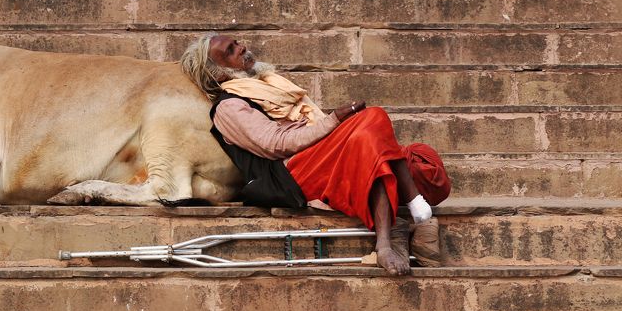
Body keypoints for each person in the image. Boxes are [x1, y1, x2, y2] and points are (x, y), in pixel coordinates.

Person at [180, 33, 451, 275]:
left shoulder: (271, 84)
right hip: (295, 173)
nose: (241, 48)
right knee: (374, 119)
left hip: (321, 154)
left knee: (418, 156)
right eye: (229, 51)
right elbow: (275, 143)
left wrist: (337, 127)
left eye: (236, 42)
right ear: (218, 74)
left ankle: (403, 224)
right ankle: (388, 239)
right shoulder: (229, 107)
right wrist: (335, 119)